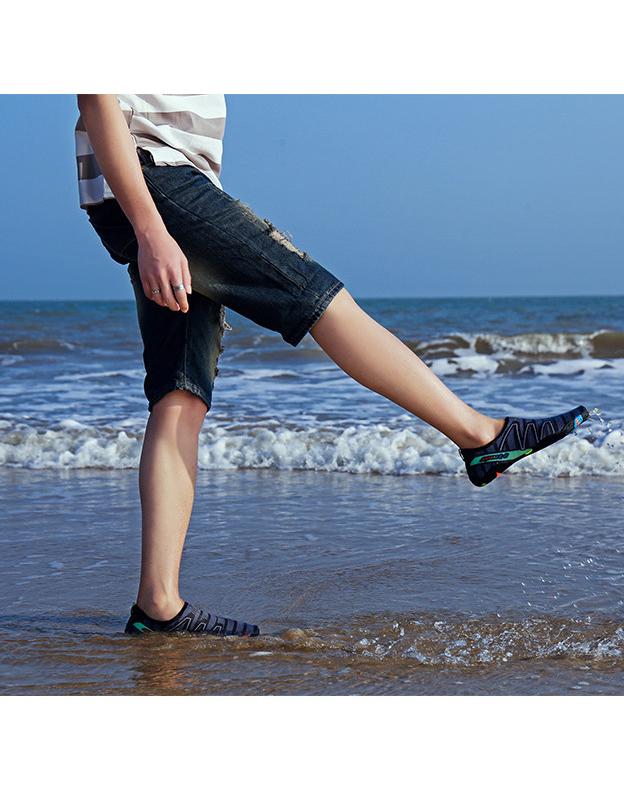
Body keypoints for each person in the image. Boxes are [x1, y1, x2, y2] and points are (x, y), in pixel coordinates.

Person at [76, 94, 588, 637]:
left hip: (152, 187)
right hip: (155, 179)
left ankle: (157, 605)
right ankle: (480, 436)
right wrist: (152, 231)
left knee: (181, 393)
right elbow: (96, 93)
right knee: (314, 294)